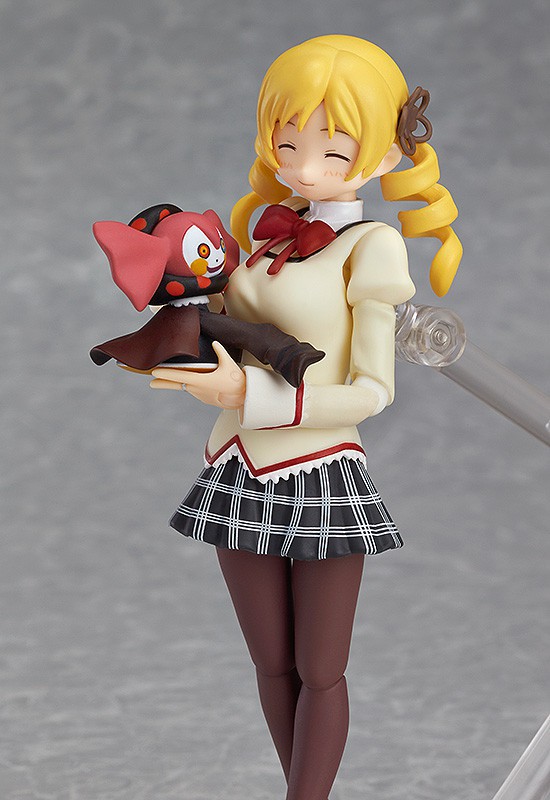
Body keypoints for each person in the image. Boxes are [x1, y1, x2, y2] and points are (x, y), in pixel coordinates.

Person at [150, 34, 462, 800]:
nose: (303, 165)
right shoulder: (263, 236)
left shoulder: (370, 246)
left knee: (322, 669)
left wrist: (250, 396)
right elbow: (221, 323)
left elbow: (372, 392)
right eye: (286, 144)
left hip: (319, 469)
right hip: (237, 466)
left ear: (388, 154)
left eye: (332, 149)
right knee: (271, 663)